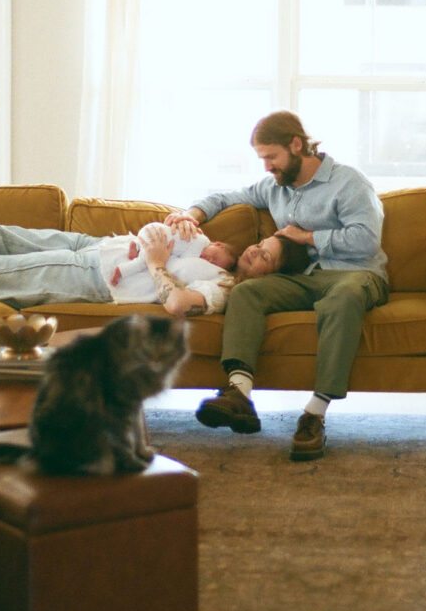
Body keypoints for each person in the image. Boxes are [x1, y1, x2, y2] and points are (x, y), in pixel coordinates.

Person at [164, 109, 388, 461]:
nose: (267, 167)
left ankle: (314, 414)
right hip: (304, 278)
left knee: (343, 298)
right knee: (247, 291)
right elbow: (225, 198)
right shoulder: (274, 187)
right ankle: (239, 394)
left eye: (271, 157)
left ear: (296, 145)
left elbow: (367, 240)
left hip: (356, 274)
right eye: (262, 159)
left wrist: (307, 236)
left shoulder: (348, 182)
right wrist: (191, 215)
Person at [0, 220, 309, 319]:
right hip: (97, 245)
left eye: (264, 256)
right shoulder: (216, 251)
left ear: (273, 277)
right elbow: (170, 229)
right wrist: (175, 222)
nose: (254, 251)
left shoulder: (223, 286)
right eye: (260, 244)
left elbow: (180, 305)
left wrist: (157, 263)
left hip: (92, 276)